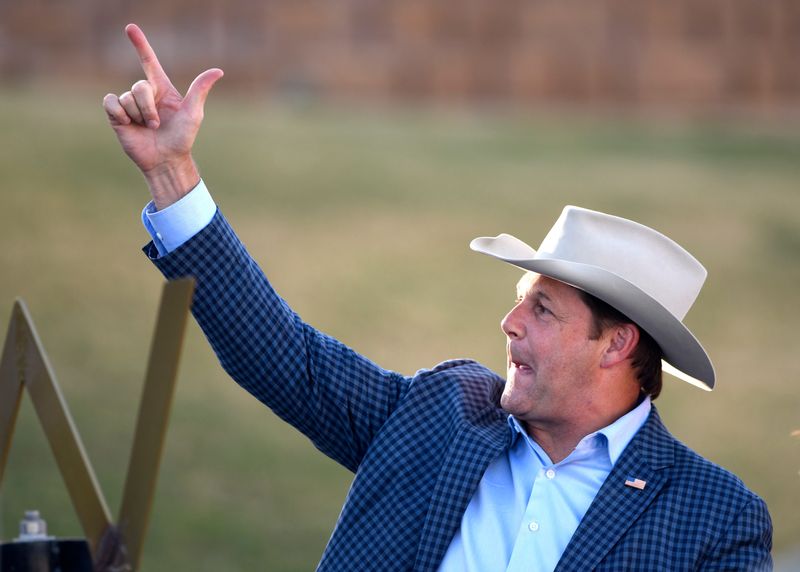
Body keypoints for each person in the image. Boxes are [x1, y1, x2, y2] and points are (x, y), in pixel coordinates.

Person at [103, 24, 773, 571]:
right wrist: (171, 172)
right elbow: (281, 356)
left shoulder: (712, 517)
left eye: (542, 309)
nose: (508, 323)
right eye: (522, 299)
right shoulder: (438, 415)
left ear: (617, 344)